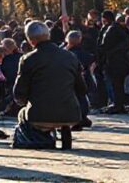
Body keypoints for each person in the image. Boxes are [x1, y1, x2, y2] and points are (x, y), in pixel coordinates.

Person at [12, 22, 86, 150]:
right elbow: (82, 88)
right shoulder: (70, 57)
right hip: (70, 111)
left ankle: (38, 139)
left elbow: (19, 91)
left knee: (22, 114)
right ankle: (65, 134)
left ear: (30, 40)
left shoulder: (28, 59)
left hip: (39, 113)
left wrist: (24, 102)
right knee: (61, 114)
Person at [98, 10, 129, 114]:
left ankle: (117, 104)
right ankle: (118, 104)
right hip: (122, 60)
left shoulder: (110, 29)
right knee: (119, 84)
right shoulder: (122, 29)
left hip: (113, 61)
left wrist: (103, 56)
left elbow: (103, 45)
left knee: (115, 84)